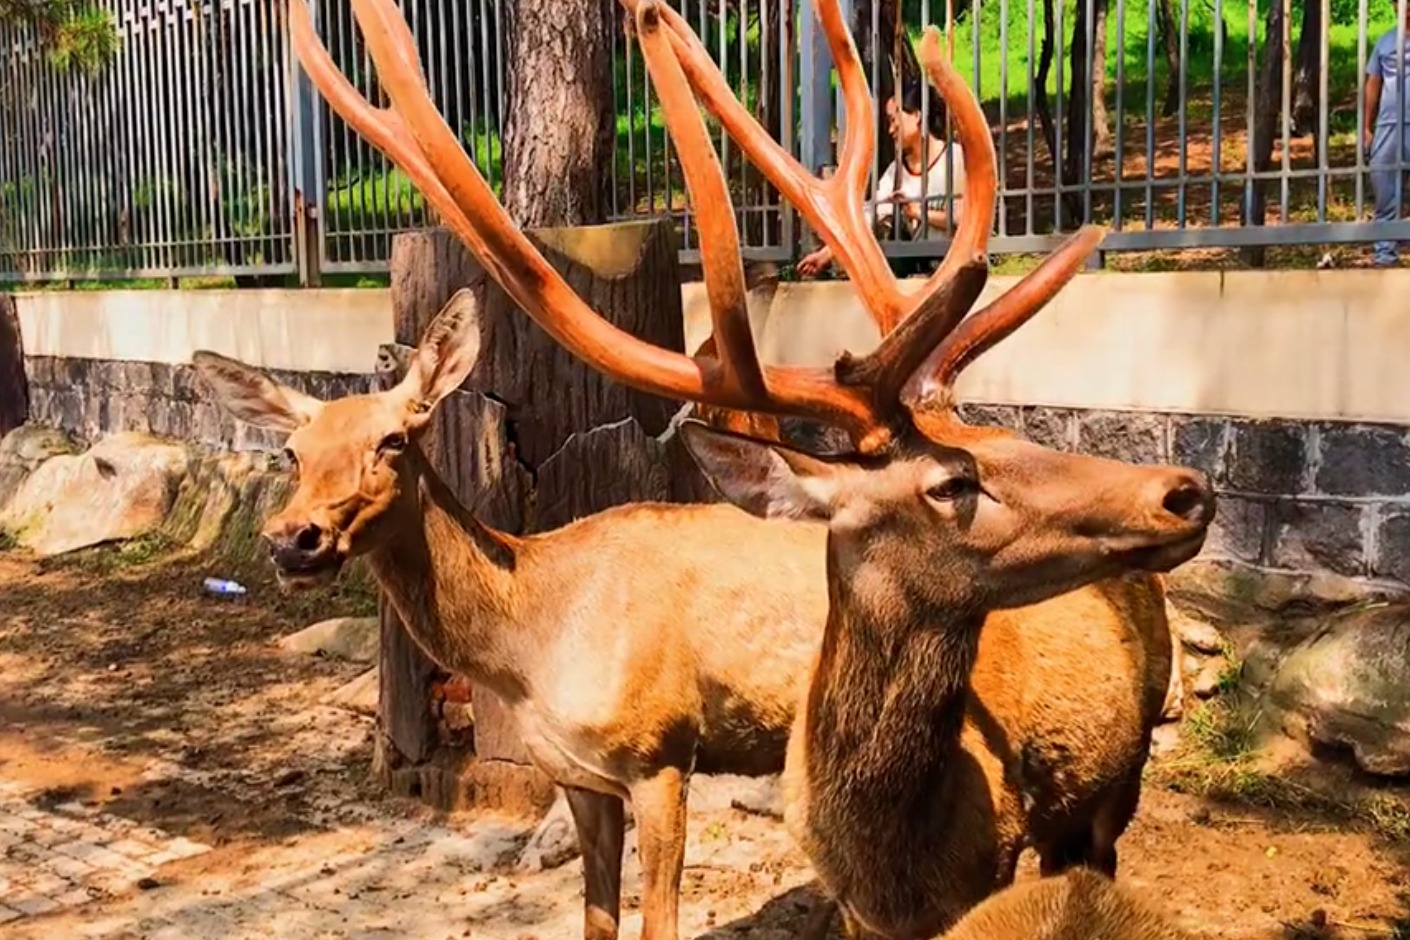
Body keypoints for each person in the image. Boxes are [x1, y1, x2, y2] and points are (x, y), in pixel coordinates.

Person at [796, 82, 967, 278]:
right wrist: (825, 254)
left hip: (951, 269)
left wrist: (918, 212)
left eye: (894, 120)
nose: (891, 130)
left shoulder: (956, 159)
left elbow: (964, 219)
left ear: (917, 116)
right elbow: (868, 217)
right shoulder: (895, 172)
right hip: (907, 275)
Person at [1364, 8, 1410, 267]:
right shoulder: (1385, 41)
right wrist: (1367, 127)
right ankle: (1385, 254)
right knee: (1384, 188)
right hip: (1389, 125)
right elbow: (1373, 82)